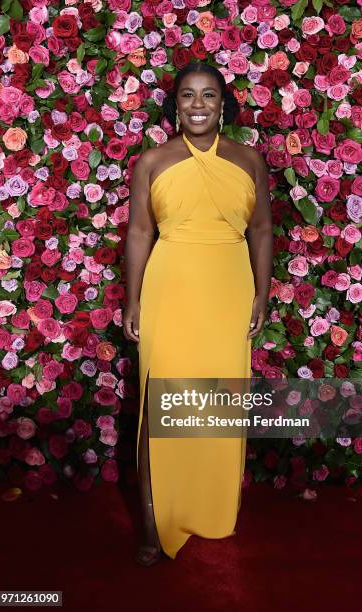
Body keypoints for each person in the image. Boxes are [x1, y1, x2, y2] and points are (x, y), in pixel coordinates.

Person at [123, 61, 273, 566]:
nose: (198, 105)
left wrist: (261, 293)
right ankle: (151, 523)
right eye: (188, 96)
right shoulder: (152, 161)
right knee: (157, 402)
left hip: (228, 290)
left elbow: (262, 231)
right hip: (170, 290)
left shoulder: (250, 160)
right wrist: (133, 298)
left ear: (224, 103)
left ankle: (205, 508)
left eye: (209, 96)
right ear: (175, 104)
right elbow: (141, 231)